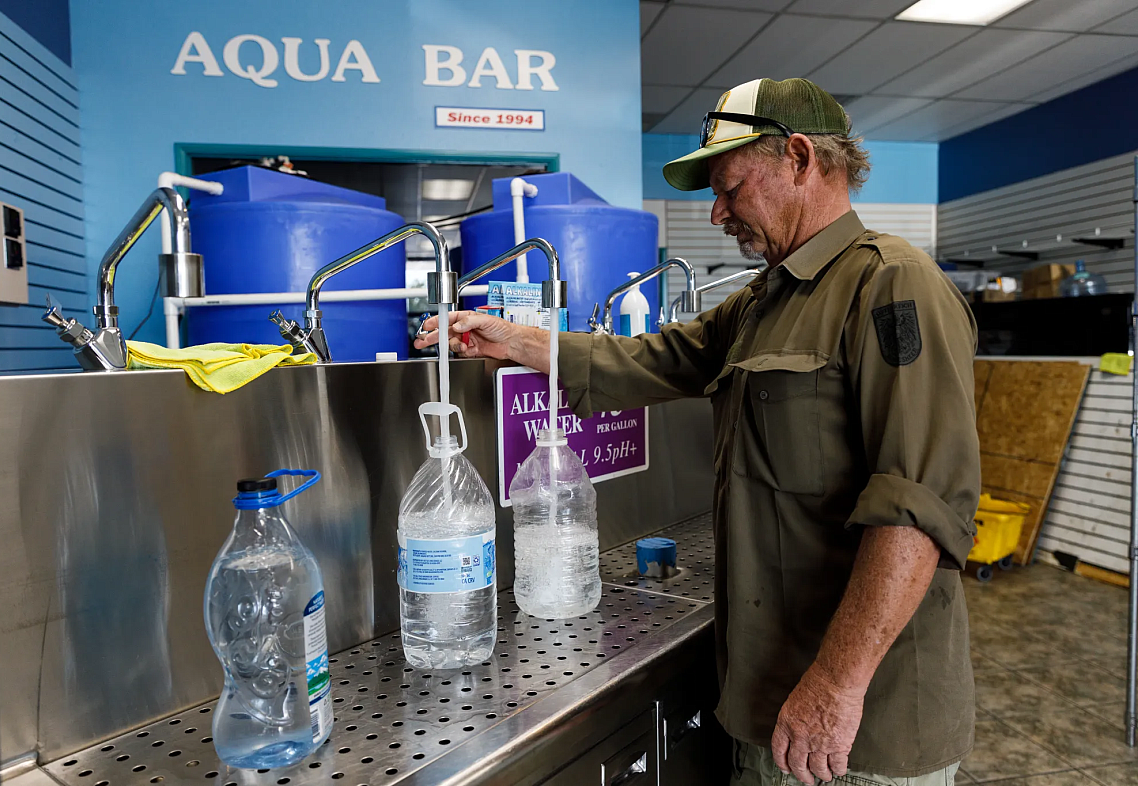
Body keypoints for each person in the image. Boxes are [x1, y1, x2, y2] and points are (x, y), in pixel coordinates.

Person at [416, 77, 978, 786]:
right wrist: (517, 339)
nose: (717, 214)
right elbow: (656, 357)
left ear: (799, 158)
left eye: (731, 188)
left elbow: (918, 512)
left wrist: (836, 686)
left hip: (864, 723)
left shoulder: (892, 285)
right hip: (768, 697)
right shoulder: (763, 300)